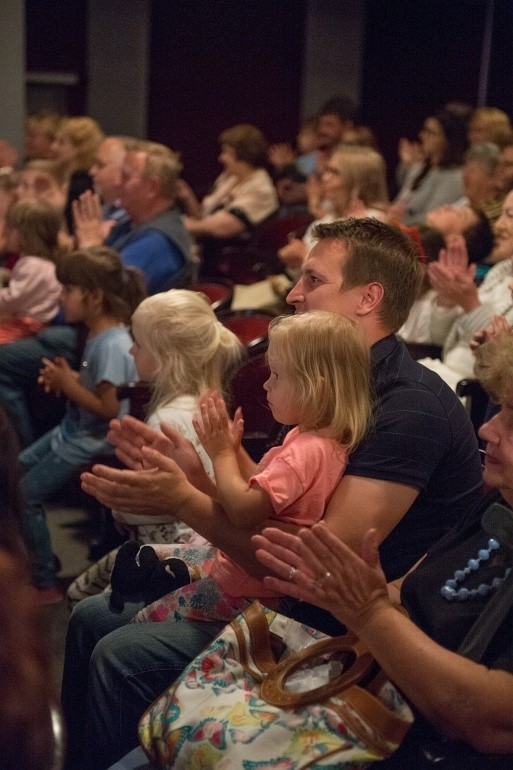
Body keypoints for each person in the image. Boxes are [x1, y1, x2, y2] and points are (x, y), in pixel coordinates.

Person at [60, 218, 484, 768]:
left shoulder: (408, 408)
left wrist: (185, 500)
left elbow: (312, 570)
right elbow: (275, 497)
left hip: (343, 639)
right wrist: (196, 475)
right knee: (92, 616)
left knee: (120, 651)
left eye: (313, 279)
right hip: (289, 598)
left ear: (367, 297)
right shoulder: (327, 374)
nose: (293, 293)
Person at [253, 331, 513, 769]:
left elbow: (489, 720)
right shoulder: (498, 500)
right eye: (500, 410)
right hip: (382, 701)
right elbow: (406, 590)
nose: (487, 428)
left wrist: (370, 614)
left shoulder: (413, 410)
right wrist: (350, 595)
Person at [130, 310, 370, 625]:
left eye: (277, 376)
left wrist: (222, 455)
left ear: (317, 387)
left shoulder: (307, 451)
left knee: (144, 619)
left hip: (247, 587)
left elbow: (244, 511)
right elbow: (265, 497)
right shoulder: (315, 439)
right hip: (248, 574)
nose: (266, 385)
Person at [0, 139, 193, 448]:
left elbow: (105, 297)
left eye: (127, 176)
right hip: (82, 328)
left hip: (115, 341)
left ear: (152, 188)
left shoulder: (158, 240)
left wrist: (89, 249)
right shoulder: (129, 222)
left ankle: (16, 456)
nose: (117, 181)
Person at [67, 288, 243, 607]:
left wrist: (119, 507)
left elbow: (156, 503)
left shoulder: (168, 418)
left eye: (139, 344)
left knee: (78, 599)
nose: (131, 351)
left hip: (174, 556)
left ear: (164, 357)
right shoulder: (207, 402)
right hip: (207, 536)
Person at [20, 246, 146, 603]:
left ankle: (44, 580)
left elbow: (108, 408)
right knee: (14, 475)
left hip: (92, 441)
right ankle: (40, 555)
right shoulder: (97, 334)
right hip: (75, 431)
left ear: (94, 297)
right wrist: (69, 378)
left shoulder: (113, 344)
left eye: (67, 291)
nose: (61, 298)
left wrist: (67, 384)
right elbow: (96, 389)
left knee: (27, 495)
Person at [419, 191, 513, 388]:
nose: (499, 225)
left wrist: (470, 303)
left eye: (510, 215)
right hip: (445, 372)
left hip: (473, 392)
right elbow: (439, 338)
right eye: (502, 214)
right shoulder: (501, 272)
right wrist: (448, 299)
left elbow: (503, 359)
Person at [178, 124, 278, 275]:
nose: (221, 158)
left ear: (245, 154)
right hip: (206, 253)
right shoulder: (229, 177)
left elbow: (220, 228)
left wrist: (177, 225)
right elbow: (202, 217)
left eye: (227, 152)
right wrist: (187, 195)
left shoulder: (261, 189)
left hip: (229, 264)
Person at [278, 144, 389, 279]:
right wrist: (294, 263)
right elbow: (304, 280)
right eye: (327, 170)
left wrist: (304, 257)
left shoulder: (373, 221)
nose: (325, 178)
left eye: (334, 172)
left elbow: (354, 280)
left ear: (357, 182)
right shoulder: (325, 220)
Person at [0, 198, 63, 343]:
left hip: (28, 327)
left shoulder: (33, 265)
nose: (5, 232)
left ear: (27, 234)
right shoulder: (38, 263)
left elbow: (12, 299)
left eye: (11, 227)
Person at [392, 107, 468, 225]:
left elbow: (431, 219)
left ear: (447, 139)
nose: (422, 136)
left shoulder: (454, 177)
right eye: (424, 130)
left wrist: (399, 220)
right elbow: (400, 202)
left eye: (430, 132)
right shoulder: (420, 168)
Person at [50, 116, 104, 234]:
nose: (53, 147)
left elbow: (71, 231)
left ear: (79, 148)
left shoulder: (80, 186)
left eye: (61, 142)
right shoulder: (72, 180)